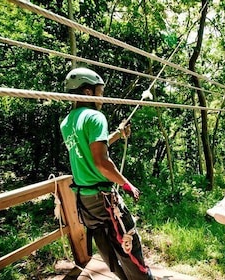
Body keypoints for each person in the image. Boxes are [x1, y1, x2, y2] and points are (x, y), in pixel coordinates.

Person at [60, 67, 153, 280]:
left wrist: (117, 135)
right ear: (87, 92)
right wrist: (126, 184)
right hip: (104, 199)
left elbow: (87, 149)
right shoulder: (95, 116)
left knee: (108, 248)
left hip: (84, 200)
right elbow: (101, 162)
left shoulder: (67, 122)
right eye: (100, 92)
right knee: (129, 245)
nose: (102, 98)